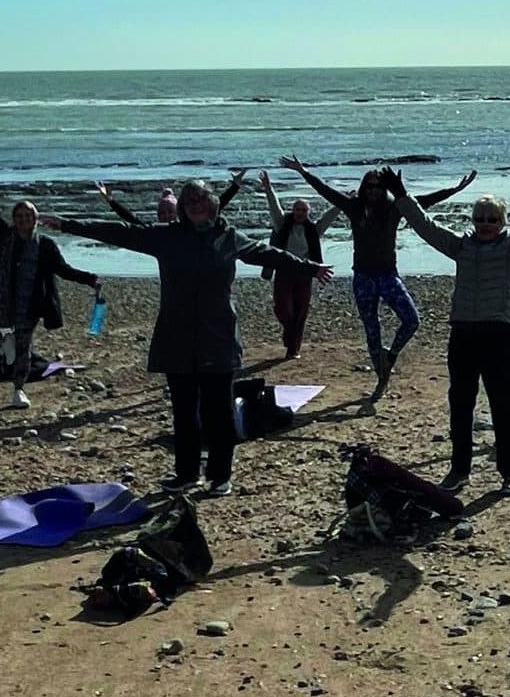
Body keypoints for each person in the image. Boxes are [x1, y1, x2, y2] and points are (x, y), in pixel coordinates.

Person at [44, 179, 331, 497]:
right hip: (176, 335)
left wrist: (309, 267)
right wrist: (69, 224)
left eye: (201, 199)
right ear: (181, 207)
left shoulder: (229, 237)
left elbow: (269, 254)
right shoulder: (166, 237)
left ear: (213, 203)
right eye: (189, 200)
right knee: (183, 410)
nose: (196, 205)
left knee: (218, 413)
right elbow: (120, 233)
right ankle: (186, 474)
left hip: (218, 335)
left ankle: (220, 477)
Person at [389, 157, 510, 495]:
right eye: (480, 218)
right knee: (461, 405)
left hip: (498, 334)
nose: (485, 224)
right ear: (473, 220)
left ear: (503, 220)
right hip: (463, 334)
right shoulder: (461, 246)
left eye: (492, 219)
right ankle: (459, 470)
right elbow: (426, 227)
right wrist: (402, 196)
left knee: (501, 405)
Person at [278, 156, 477, 384]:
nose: (373, 191)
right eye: (370, 186)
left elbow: (423, 202)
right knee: (372, 330)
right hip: (363, 278)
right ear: (364, 188)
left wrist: (456, 189)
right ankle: (381, 375)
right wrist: (303, 171)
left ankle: (390, 356)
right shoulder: (354, 208)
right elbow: (326, 191)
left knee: (412, 320)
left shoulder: (394, 209)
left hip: (387, 275)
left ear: (384, 189)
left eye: (378, 187)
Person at [0, 167, 102, 410]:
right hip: (3, 297)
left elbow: (63, 269)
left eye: (28, 216)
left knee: (23, 349)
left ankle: (18, 390)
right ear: (14, 219)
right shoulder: (5, 236)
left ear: (35, 219)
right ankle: (1, 340)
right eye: (19, 216)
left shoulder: (46, 245)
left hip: (30, 305)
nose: (23, 220)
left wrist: (90, 279)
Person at [255, 170, 342, 360]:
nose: (300, 213)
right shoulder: (281, 225)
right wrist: (268, 188)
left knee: (301, 311)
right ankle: (289, 332)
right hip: (284, 271)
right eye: (297, 209)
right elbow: (274, 208)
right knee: (282, 308)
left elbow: (329, 216)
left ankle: (293, 349)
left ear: (308, 213)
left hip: (304, 273)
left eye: (304, 210)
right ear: (292, 211)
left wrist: (344, 201)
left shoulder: (313, 230)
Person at [97, 169, 246, 226]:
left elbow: (217, 205)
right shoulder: (159, 234)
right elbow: (132, 220)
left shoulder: (190, 226)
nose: (166, 216)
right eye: (162, 213)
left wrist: (235, 186)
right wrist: (111, 200)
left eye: (170, 212)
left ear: (178, 211)